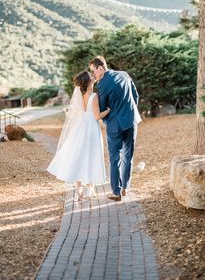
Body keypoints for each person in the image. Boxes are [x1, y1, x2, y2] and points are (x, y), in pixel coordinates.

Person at [47, 70, 110, 201]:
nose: (94, 76)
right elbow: (97, 116)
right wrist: (108, 110)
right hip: (91, 128)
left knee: (78, 156)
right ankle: (91, 189)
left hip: (80, 128)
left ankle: (80, 190)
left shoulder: (80, 96)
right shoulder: (93, 96)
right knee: (91, 157)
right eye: (91, 76)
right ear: (88, 81)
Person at [89, 56, 141, 201]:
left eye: (94, 71)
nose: (94, 75)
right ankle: (125, 188)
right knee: (128, 156)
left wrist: (107, 121)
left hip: (114, 126)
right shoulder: (124, 74)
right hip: (131, 122)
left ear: (100, 68)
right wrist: (129, 112)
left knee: (115, 159)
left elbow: (102, 107)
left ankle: (116, 192)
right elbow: (135, 96)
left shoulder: (102, 85)